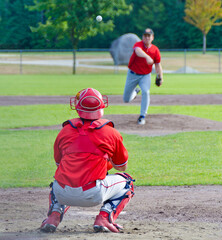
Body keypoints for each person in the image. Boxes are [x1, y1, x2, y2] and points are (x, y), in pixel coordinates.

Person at [40, 88, 134, 233]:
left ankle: (53, 216)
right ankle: (104, 218)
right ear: (101, 106)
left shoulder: (64, 131)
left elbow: (59, 164)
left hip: (62, 193)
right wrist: (105, 160)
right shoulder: (111, 132)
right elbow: (122, 167)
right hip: (93, 193)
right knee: (127, 182)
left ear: (78, 107)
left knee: (59, 180)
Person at [123, 28, 164, 125]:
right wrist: (147, 57)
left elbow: (158, 64)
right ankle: (136, 91)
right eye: (145, 36)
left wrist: (160, 77)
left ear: (152, 37)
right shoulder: (139, 45)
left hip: (145, 76)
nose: (147, 37)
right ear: (142, 37)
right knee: (126, 99)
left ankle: (142, 116)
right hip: (132, 75)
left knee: (146, 92)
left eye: (149, 36)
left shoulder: (155, 50)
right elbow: (137, 51)